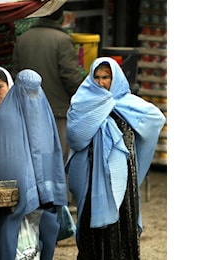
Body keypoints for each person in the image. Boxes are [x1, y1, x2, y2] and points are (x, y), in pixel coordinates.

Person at [65, 57, 166, 259]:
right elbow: (76, 137)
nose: (101, 83)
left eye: (106, 77)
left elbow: (155, 119)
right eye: (97, 77)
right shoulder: (82, 101)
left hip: (122, 176)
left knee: (120, 226)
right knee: (90, 228)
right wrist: (103, 109)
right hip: (91, 175)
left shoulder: (127, 103)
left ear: (115, 78)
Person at [0, 69, 68, 260]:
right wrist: (28, 190)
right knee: (10, 237)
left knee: (45, 236)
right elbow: (12, 162)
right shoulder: (7, 117)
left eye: (35, 91)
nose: (31, 97)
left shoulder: (44, 111)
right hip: (20, 192)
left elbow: (50, 153)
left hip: (43, 196)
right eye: (27, 92)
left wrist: (46, 189)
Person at [11, 3, 84, 162]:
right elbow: (70, 77)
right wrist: (84, 99)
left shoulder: (22, 39)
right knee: (56, 161)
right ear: (60, 16)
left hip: (27, 111)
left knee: (31, 160)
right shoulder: (63, 40)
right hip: (57, 112)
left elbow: (15, 75)